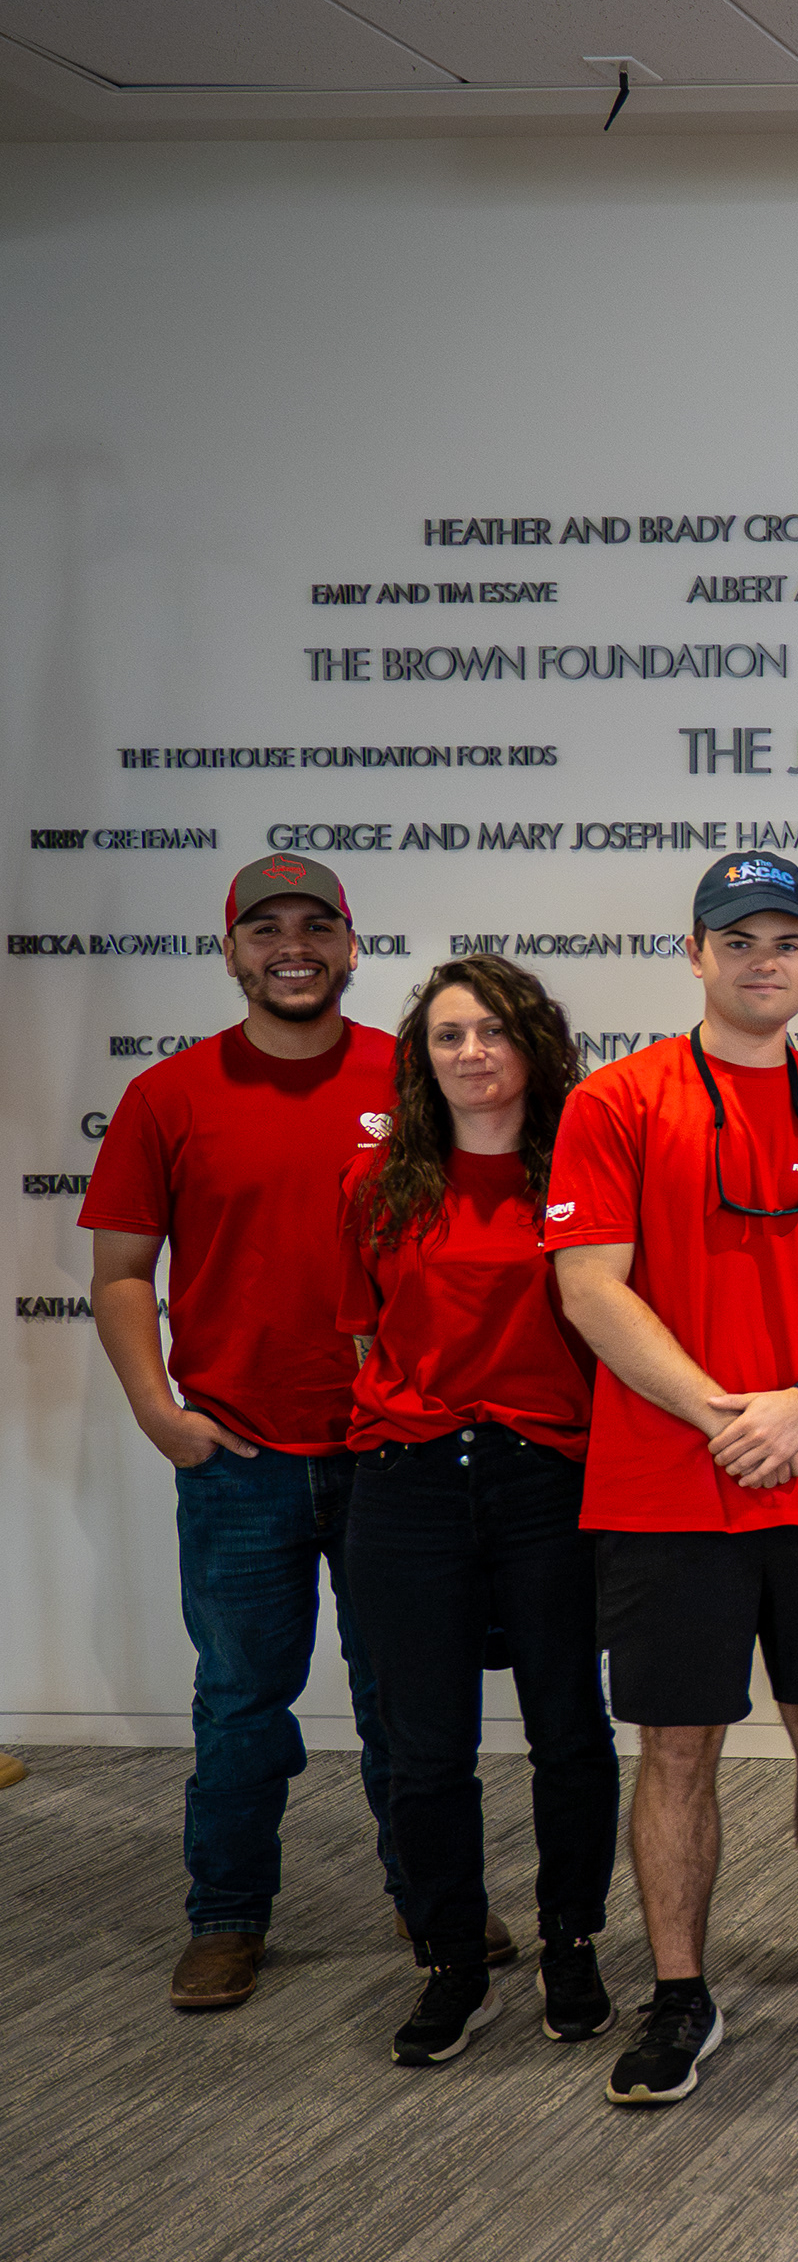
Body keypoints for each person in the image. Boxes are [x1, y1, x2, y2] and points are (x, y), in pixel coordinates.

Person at [547, 854, 798, 2104]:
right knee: (676, 1746)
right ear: (695, 952)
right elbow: (589, 1285)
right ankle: (678, 1994)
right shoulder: (616, 1100)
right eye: (737, 938)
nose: (762, 960)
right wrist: (725, 1414)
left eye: (784, 939)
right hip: (670, 1483)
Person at [84, 853, 423, 2012]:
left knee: (400, 1694)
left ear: (351, 944)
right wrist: (158, 1413)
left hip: (389, 1452)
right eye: (266, 927)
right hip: (237, 1456)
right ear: (230, 950)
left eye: (315, 925)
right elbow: (121, 1272)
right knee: (239, 1701)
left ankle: (427, 1894)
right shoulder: (168, 1095)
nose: (293, 946)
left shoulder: (415, 1078)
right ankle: (226, 1915)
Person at [336, 953, 613, 2066]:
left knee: (570, 1732)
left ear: (535, 1047)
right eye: (449, 1034)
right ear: (422, 1057)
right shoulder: (377, 1184)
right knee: (423, 1748)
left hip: (548, 1478)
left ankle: (571, 1942)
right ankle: (452, 1957)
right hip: (406, 1484)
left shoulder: (584, 1174)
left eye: (494, 1030)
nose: (472, 1052)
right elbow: (367, 1336)